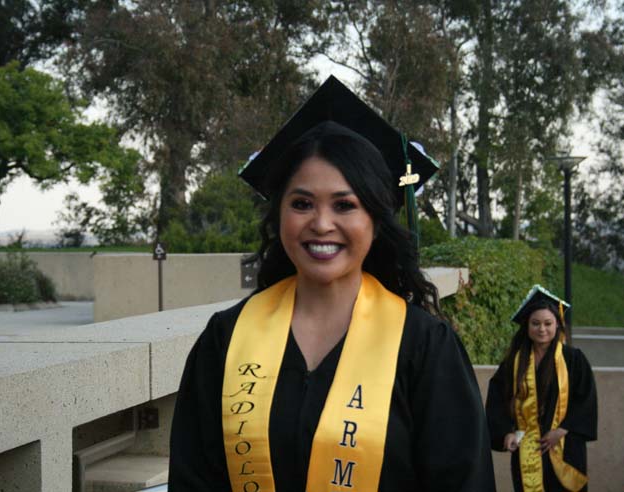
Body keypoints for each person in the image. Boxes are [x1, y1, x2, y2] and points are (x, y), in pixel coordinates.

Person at [168, 76, 496, 492]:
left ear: (375, 221)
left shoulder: (422, 347)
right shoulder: (226, 340)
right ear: (279, 216)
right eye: (301, 203)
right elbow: (193, 480)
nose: (321, 224)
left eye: (345, 205)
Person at [486, 285, 597, 492]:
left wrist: (564, 430)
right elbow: (498, 399)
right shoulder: (514, 362)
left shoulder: (573, 360)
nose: (542, 329)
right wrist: (506, 433)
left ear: (557, 325)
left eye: (548, 323)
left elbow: (586, 399)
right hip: (527, 447)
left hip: (564, 447)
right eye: (535, 323)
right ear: (527, 326)